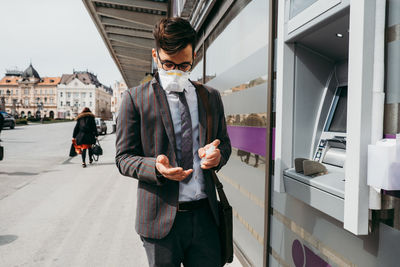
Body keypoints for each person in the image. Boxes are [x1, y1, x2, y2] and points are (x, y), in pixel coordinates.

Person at [115, 17, 231, 267]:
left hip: (206, 218)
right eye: (168, 64)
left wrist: (217, 156)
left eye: (184, 65)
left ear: (195, 57)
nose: (176, 71)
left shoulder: (210, 97)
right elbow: (123, 158)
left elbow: (226, 145)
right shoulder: (134, 99)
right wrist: (155, 167)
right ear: (155, 56)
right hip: (159, 222)